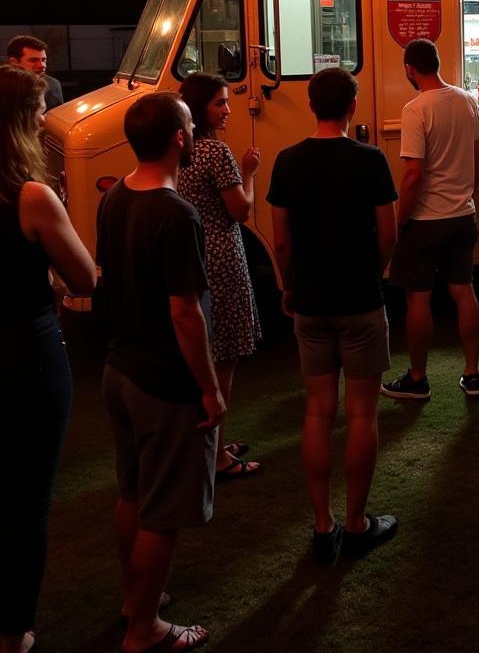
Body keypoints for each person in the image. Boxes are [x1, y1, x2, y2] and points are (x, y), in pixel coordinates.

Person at [98, 92, 225, 653]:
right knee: (164, 510)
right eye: (191, 125)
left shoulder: (116, 197)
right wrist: (210, 389)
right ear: (178, 138)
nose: (196, 131)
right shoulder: (177, 214)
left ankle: (135, 598)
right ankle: (144, 628)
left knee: (132, 490)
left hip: (119, 369)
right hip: (162, 380)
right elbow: (185, 312)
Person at [267, 68, 398, 563]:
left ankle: (323, 526)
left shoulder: (287, 162)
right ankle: (358, 522)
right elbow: (387, 232)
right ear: (352, 105)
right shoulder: (370, 160)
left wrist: (289, 284)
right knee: (362, 413)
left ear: (311, 105)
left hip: (311, 300)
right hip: (360, 298)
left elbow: (282, 240)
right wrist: (380, 271)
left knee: (318, 411)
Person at [0, 67, 95, 653]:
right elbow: (83, 276)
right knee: (27, 499)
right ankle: (14, 635)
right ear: (19, 122)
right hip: (26, 353)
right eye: (37, 111)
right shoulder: (30, 197)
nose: (44, 121)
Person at [382, 39, 479, 400]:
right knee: (464, 291)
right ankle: (472, 374)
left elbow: (413, 174)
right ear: (438, 62)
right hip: (463, 214)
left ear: (410, 69)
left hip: (426, 218)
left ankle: (418, 377)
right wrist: (467, 196)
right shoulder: (466, 100)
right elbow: (478, 157)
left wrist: (399, 219)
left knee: (418, 299)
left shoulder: (415, 109)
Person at [178, 74, 262, 480]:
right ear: (200, 110)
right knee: (224, 358)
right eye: (219, 103)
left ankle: (208, 444)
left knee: (203, 357)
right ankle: (217, 458)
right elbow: (240, 210)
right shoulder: (216, 153)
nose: (228, 109)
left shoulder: (178, 151)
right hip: (223, 257)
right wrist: (250, 172)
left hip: (193, 254)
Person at [6, 34, 63, 110]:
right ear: (14, 62)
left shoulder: (53, 85)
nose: (42, 65)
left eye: (43, 60)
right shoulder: (4, 88)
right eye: (33, 60)